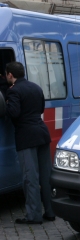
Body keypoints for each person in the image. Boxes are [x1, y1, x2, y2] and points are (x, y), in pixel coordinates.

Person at [5, 61, 55, 224]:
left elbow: (14, 113)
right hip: (42, 133)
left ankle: (33, 216)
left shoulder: (13, 91)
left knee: (30, 177)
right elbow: (40, 109)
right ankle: (50, 211)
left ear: (10, 75)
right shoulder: (36, 87)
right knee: (46, 176)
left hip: (26, 137)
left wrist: (6, 104)